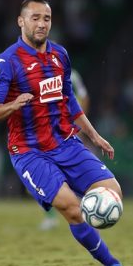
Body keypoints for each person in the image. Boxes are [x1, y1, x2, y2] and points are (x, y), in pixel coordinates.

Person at [0, 0, 125, 266]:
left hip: (66, 143)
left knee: (113, 191)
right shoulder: (6, 62)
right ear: (21, 22)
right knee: (73, 209)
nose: (41, 23)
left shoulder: (60, 55)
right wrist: (13, 105)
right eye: (35, 18)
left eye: (46, 18)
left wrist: (94, 136)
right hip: (29, 152)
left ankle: (88, 209)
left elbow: (69, 100)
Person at [39, 67, 90, 231]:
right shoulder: (31, 75)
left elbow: (84, 97)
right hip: (44, 134)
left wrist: (78, 122)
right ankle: (50, 217)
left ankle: (86, 207)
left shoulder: (71, 74)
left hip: (68, 131)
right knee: (44, 175)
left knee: (74, 170)